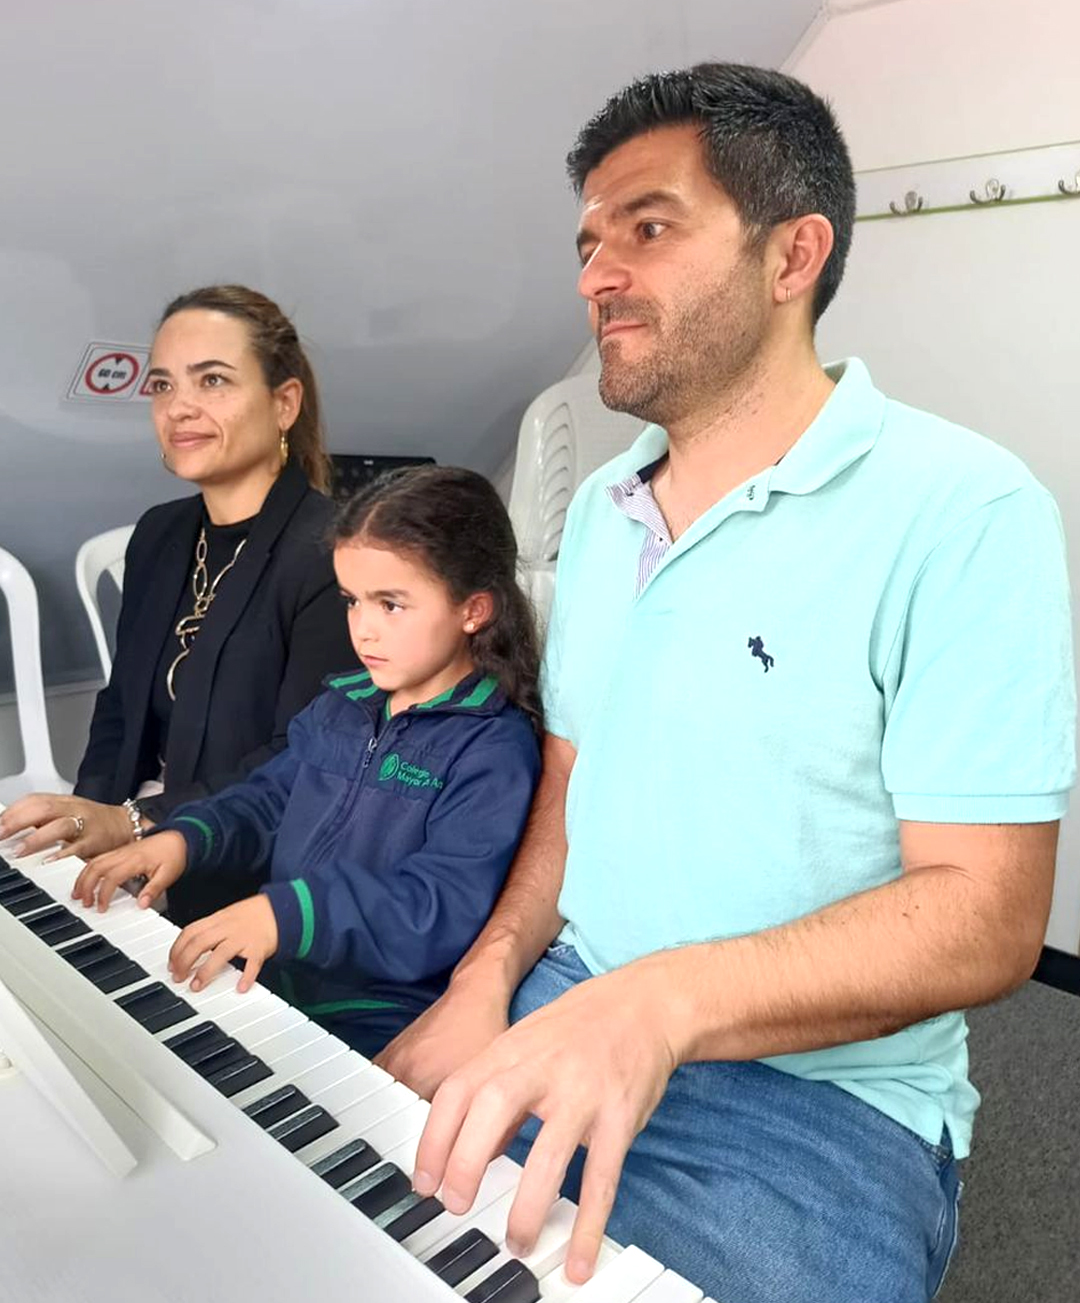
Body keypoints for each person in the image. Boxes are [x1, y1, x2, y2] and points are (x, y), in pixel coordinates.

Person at [377, 65, 1077, 1303]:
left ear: (792, 254)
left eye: (647, 227)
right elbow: (573, 783)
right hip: (569, 998)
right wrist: (489, 978)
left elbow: (988, 913)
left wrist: (662, 1005)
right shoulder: (601, 510)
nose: (596, 274)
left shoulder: (966, 510)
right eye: (590, 241)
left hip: (816, 1106)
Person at [72, 466, 543, 1057]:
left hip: (379, 1016)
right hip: (278, 975)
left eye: (391, 604)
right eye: (352, 601)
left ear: (473, 610)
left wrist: (286, 914)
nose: (363, 629)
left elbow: (435, 906)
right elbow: (267, 801)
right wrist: (183, 839)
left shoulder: (492, 749)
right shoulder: (342, 703)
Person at [0, 285, 354, 924]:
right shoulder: (159, 534)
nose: (179, 408)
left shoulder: (332, 553)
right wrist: (83, 829)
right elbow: (118, 709)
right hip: (136, 838)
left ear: (284, 404)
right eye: (161, 386)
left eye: (212, 380)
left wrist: (132, 822)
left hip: (240, 865)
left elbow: (299, 762)